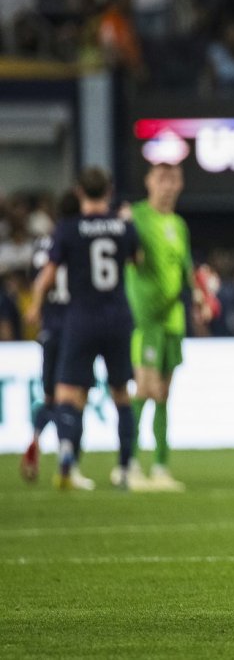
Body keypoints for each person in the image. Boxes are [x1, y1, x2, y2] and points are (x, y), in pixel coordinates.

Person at [25, 168, 138, 491]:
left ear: (79, 192)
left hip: (82, 319)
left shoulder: (68, 228)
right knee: (121, 394)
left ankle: (67, 461)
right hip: (117, 317)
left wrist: (35, 305)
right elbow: (137, 261)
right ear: (109, 190)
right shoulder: (123, 226)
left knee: (67, 394)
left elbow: (48, 275)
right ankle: (125, 467)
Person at [124, 163, 202, 491]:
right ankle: (127, 463)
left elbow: (186, 268)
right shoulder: (136, 216)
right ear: (149, 182)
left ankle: (159, 467)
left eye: (173, 180)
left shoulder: (178, 225)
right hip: (146, 320)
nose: (167, 186)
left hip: (173, 320)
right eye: (162, 179)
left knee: (163, 394)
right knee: (146, 389)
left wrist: (199, 296)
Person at [19, 192, 78, 483]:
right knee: (72, 395)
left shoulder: (43, 244)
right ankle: (67, 451)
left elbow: (36, 278)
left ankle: (36, 437)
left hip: (49, 327)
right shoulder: (78, 240)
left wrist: (36, 307)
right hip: (76, 327)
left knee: (50, 395)